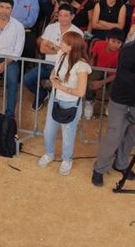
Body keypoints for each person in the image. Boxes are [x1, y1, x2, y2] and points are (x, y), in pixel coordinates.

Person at [92, 16, 135, 187]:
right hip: (122, 102)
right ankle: (99, 169)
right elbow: (122, 73)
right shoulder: (130, 49)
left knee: (132, 136)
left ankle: (121, 163)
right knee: (113, 138)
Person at [36, 31, 92, 176]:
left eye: (64, 42)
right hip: (55, 98)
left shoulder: (82, 66)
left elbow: (80, 92)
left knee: (68, 133)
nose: (61, 44)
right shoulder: (61, 54)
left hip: (71, 103)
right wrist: (52, 76)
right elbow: (56, 70)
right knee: (48, 130)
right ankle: (49, 153)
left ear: (72, 47)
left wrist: (60, 86)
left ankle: (67, 159)